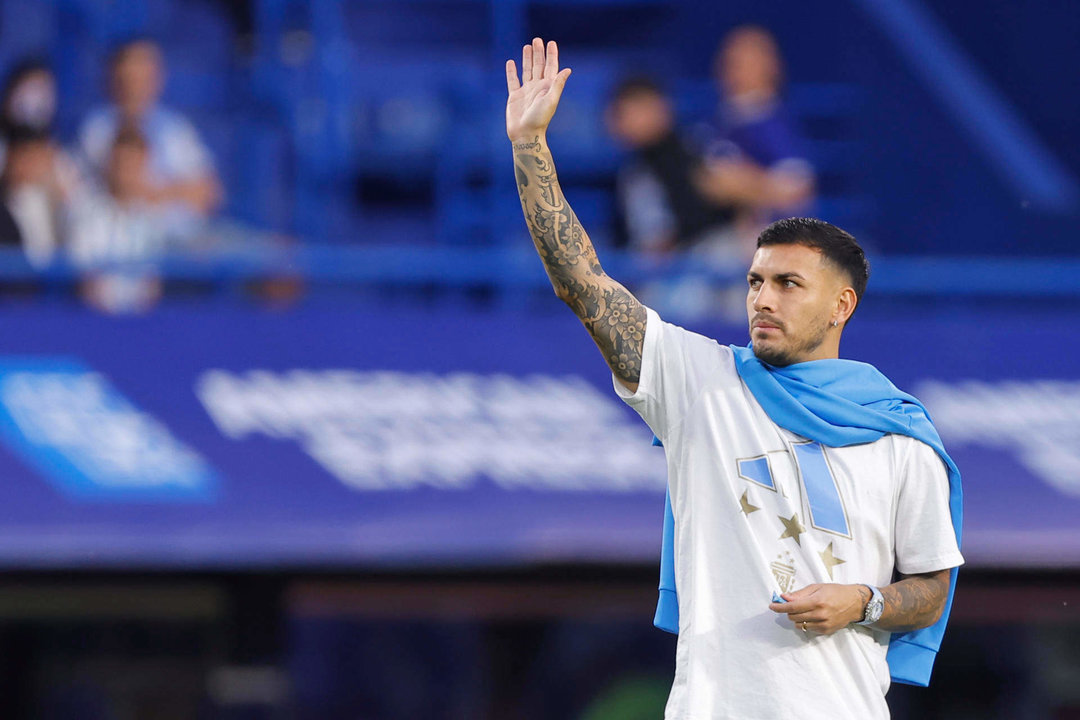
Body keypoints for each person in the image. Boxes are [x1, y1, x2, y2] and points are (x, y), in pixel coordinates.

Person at [505, 39, 963, 719]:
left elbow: (929, 585)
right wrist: (530, 148)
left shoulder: (900, 432)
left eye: (787, 283)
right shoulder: (702, 384)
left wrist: (864, 601)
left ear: (843, 305)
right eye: (754, 282)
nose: (762, 299)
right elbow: (584, 284)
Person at [77, 38, 221, 224]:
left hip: (178, 240)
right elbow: (104, 189)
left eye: (145, 73)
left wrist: (154, 194)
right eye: (131, 74)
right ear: (115, 76)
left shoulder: (175, 128)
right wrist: (175, 193)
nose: (137, 81)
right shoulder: (97, 128)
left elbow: (208, 192)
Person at [699, 25, 815, 227]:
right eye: (728, 63)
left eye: (741, 63)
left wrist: (740, 183)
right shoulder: (716, 122)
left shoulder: (773, 126)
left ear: (770, 67)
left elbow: (796, 192)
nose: (730, 72)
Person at [605, 77, 735, 255]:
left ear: (661, 109)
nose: (627, 120)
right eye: (620, 114)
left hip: (698, 259)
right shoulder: (630, 169)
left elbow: (702, 219)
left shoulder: (691, 154)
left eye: (637, 110)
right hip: (646, 267)